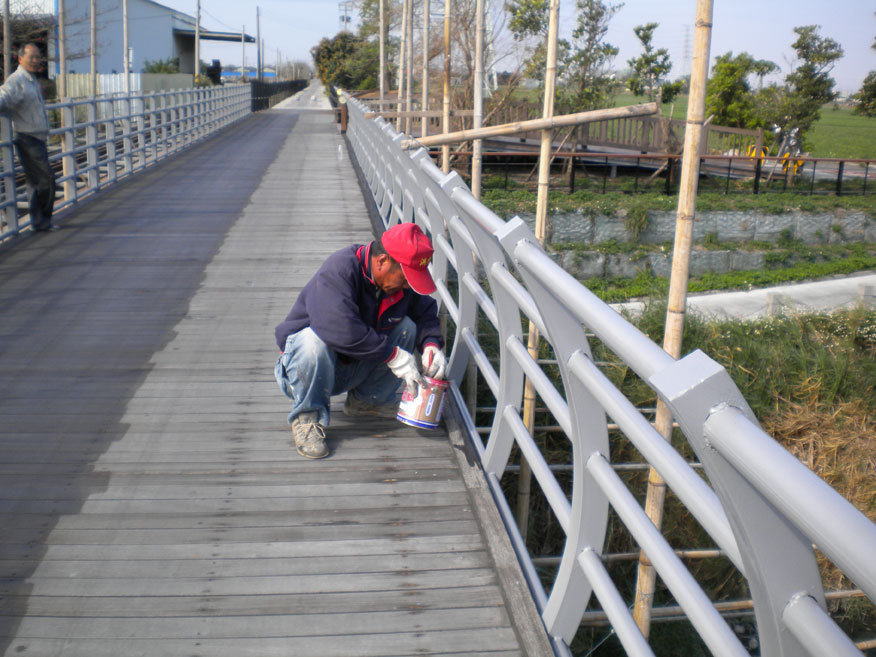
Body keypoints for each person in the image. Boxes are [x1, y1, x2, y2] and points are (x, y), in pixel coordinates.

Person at [274, 222, 448, 459]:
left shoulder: (398, 284)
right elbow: (337, 328)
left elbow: (425, 311)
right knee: (313, 341)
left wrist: (431, 344)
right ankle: (307, 417)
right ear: (382, 261)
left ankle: (368, 401)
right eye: (406, 278)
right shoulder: (339, 270)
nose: (408, 286)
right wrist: (392, 355)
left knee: (407, 327)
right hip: (305, 370)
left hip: (354, 366)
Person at [0, 43, 56, 232]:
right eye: (31, 57)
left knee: (35, 182)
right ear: (20, 58)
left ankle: (39, 222)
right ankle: (41, 222)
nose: (35, 60)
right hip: (27, 137)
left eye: (37, 57)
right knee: (46, 180)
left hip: (37, 137)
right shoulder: (17, 80)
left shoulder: (31, 79)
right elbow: (4, 96)